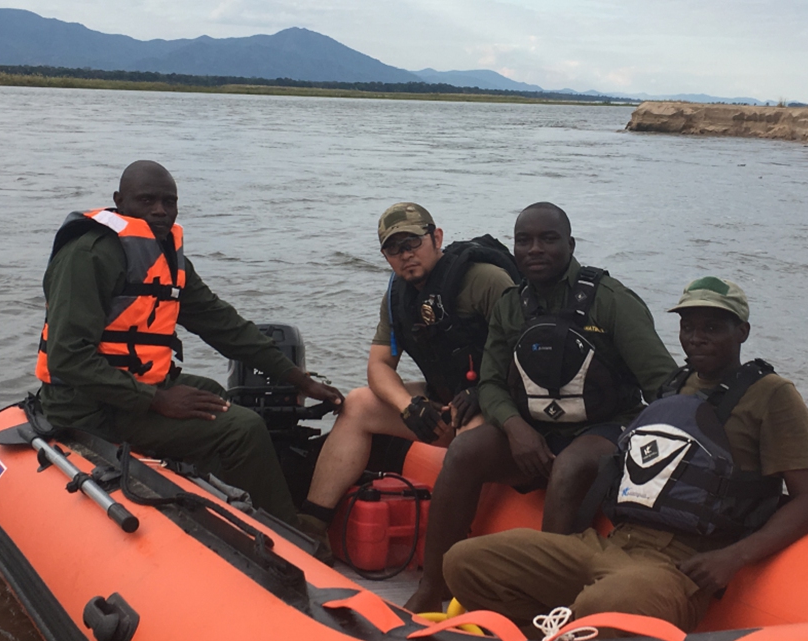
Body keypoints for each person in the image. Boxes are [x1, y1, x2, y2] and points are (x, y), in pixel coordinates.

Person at [442, 276, 808, 634]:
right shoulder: (676, 385)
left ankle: (581, 631)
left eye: (713, 327)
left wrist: (733, 558)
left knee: (606, 602)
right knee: (463, 562)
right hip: (612, 544)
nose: (696, 338)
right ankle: (552, 636)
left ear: (742, 331)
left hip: (677, 563)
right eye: (688, 327)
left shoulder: (773, 394)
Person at [35, 160, 343, 524]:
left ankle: (222, 503)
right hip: (86, 407)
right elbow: (67, 359)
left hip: (131, 392)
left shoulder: (164, 255)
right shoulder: (89, 255)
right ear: (119, 200)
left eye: (170, 201)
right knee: (242, 429)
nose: (160, 211)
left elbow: (223, 324)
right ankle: (288, 529)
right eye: (147, 200)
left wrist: (299, 379)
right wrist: (159, 399)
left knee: (214, 392)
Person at [404, 201, 677, 612]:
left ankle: (546, 602)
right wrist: (515, 428)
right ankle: (432, 585)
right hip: (535, 428)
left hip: (604, 430)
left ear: (570, 243)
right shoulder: (511, 305)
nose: (535, 249)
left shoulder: (611, 300)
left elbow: (662, 384)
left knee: (569, 467)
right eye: (524, 241)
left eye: (548, 239)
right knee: (464, 451)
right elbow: (492, 382)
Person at [297, 202, 517, 538]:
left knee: (468, 432)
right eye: (394, 249)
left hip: (498, 402)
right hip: (446, 398)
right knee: (357, 404)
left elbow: (527, 353)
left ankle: (459, 549)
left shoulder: (485, 280)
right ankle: (312, 527)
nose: (405, 255)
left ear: (437, 237)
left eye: (413, 243)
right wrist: (408, 406)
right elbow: (380, 364)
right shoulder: (397, 295)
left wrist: (482, 392)